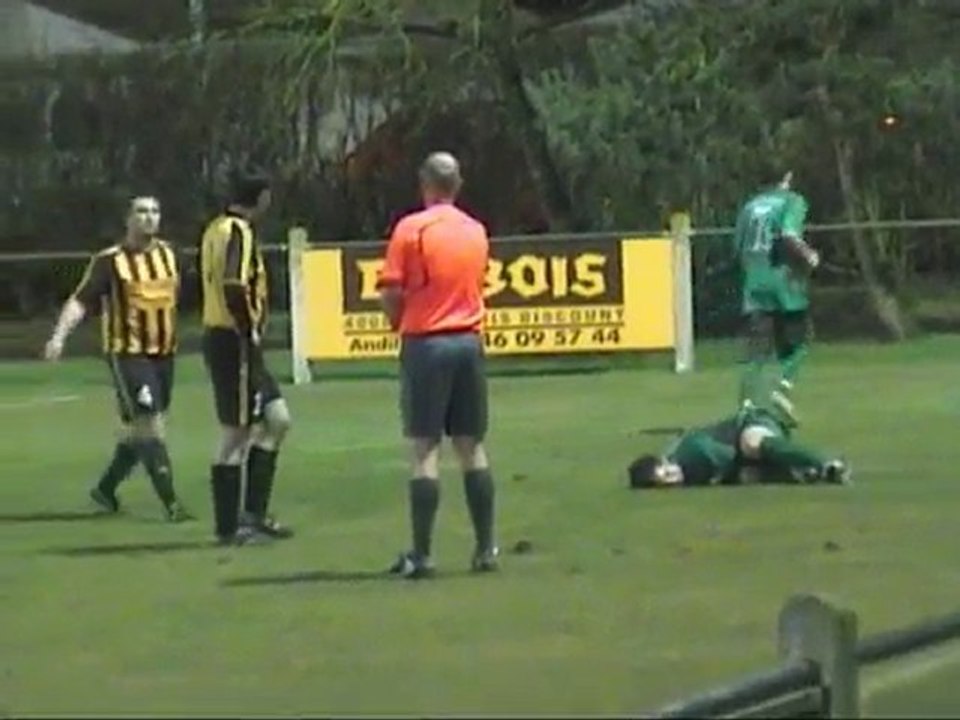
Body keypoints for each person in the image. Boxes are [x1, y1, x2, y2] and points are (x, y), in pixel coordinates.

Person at [378, 151, 497, 580]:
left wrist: (400, 323)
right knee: (471, 445)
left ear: (424, 183)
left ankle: (423, 554)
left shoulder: (411, 229)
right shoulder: (476, 231)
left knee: (425, 447)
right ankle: (486, 548)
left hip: (427, 340)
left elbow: (390, 289)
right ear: (458, 184)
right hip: (468, 339)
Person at [44, 195, 192, 521]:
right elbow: (80, 301)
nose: (149, 217)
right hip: (128, 354)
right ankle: (172, 505)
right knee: (150, 424)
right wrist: (59, 336)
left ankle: (105, 489)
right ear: (128, 219)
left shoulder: (171, 255)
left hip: (164, 354)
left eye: (155, 211)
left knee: (140, 430)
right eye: (141, 212)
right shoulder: (110, 261)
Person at [199, 170, 293, 546]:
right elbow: (234, 283)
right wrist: (246, 326)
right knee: (236, 432)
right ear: (263, 198)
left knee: (278, 420)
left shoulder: (216, 228)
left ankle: (253, 516)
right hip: (231, 340)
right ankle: (230, 527)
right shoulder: (236, 231)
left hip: (236, 343)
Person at [733, 171, 820, 421]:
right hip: (782, 280)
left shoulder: (749, 206)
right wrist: (809, 255)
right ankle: (783, 388)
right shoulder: (792, 201)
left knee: (757, 349)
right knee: (802, 339)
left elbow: (738, 248)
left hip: (754, 282)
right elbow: (788, 234)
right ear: (787, 177)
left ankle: (745, 407)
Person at [627, 402, 852, 490]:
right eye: (664, 481)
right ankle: (810, 474)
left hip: (750, 424)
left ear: (666, 461)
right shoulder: (687, 479)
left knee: (751, 444)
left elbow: (728, 457)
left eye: (667, 472)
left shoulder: (694, 452)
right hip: (739, 461)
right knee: (748, 477)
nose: (672, 478)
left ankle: (826, 463)